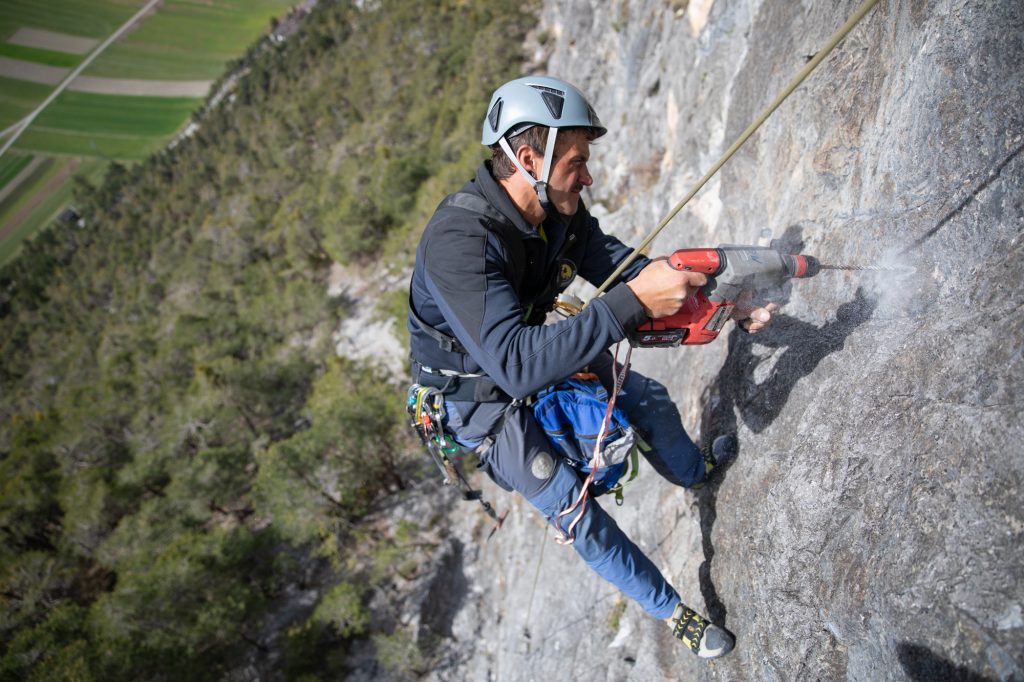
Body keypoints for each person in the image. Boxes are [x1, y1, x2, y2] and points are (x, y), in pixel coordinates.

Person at [407, 75, 775, 658]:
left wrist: (726, 303)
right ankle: (674, 613)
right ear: (529, 159)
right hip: (476, 397)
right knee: (569, 500)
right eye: (577, 162)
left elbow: (632, 270)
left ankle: (694, 472)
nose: (589, 176)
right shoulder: (460, 240)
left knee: (647, 399)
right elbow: (516, 367)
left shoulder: (561, 215)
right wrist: (630, 304)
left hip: (522, 352)